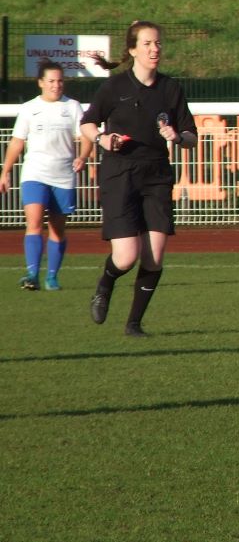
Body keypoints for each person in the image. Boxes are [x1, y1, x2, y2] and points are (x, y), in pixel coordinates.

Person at [80, 21, 198, 337]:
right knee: (126, 256)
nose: (154, 49)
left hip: (156, 174)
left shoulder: (171, 88)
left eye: (158, 43)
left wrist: (177, 136)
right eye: (147, 43)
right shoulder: (113, 87)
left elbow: (191, 137)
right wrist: (103, 139)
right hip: (119, 174)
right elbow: (88, 124)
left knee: (154, 257)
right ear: (133, 49)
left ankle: (134, 324)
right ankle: (105, 283)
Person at [0, 59, 94, 291]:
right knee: (33, 223)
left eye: (60, 81)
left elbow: (86, 136)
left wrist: (82, 157)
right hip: (35, 173)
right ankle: (32, 274)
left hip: (63, 175)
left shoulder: (72, 107)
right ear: (40, 82)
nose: (56, 85)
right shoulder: (30, 108)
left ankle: (52, 277)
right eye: (51, 81)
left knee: (57, 228)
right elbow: (17, 142)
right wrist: (6, 171)